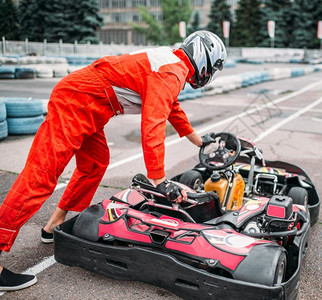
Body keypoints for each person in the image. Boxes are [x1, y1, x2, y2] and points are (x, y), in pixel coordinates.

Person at [0, 30, 226, 291]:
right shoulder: (172, 71)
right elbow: (152, 124)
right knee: (40, 177)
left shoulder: (173, 63)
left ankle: (54, 224)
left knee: (95, 163)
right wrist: (159, 179)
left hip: (90, 104)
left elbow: (170, 108)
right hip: (77, 101)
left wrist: (198, 140)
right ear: (205, 60)